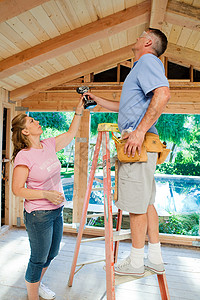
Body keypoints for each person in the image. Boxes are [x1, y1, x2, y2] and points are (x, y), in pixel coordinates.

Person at [84, 28, 171, 276]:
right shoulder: (140, 69)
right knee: (146, 203)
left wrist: (139, 131)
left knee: (135, 206)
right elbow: (123, 107)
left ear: (147, 42)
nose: (135, 39)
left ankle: (135, 263)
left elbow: (163, 94)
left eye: (139, 35)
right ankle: (154, 257)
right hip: (144, 144)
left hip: (138, 145)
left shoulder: (147, 61)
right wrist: (96, 99)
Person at [11, 99, 83, 300]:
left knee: (52, 254)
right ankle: (32, 295)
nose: (37, 122)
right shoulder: (24, 157)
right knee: (38, 258)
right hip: (38, 215)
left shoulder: (49, 144)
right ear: (25, 132)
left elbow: (70, 134)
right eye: (32, 121)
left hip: (56, 211)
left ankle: (37, 284)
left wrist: (78, 112)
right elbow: (17, 189)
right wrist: (46, 194)